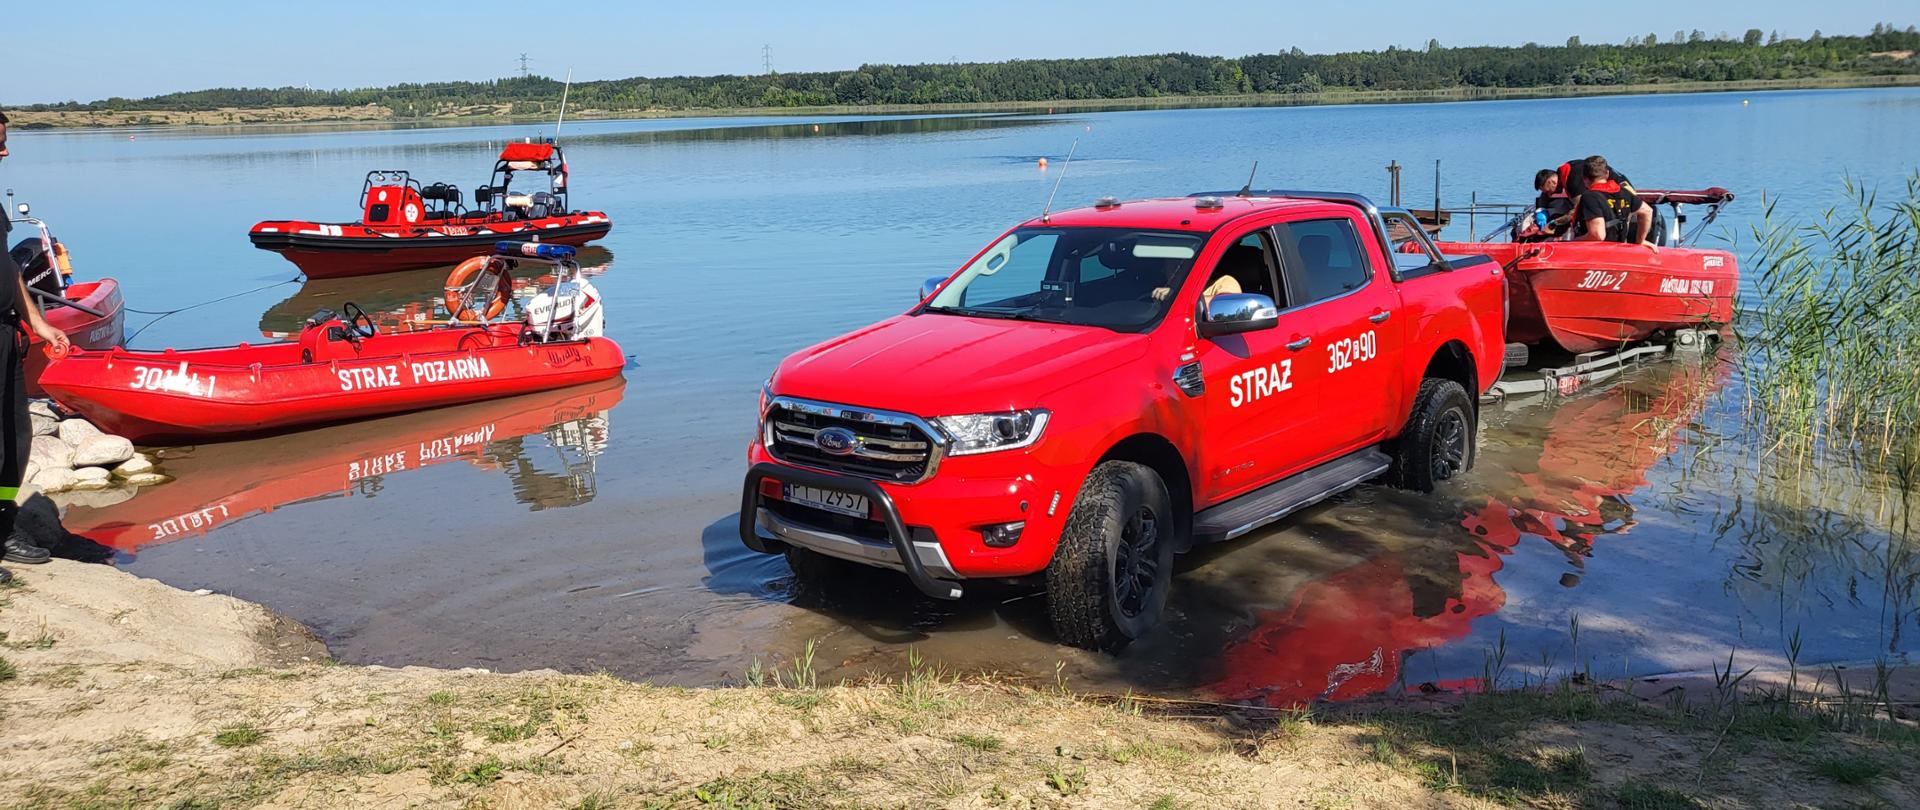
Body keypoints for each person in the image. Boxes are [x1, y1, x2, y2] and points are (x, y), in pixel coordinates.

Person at [0, 109, 71, 579]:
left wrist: (37, 323)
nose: (5, 151)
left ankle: (4, 523)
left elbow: (8, 268)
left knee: (15, 438)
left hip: (7, 333)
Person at [1572, 155, 1655, 247]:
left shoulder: (1590, 197)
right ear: (1607, 174)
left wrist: (1573, 241)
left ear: (1584, 179)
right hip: (1619, 248)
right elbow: (1647, 211)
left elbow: (1597, 235)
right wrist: (1640, 240)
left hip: (1596, 251)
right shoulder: (1624, 192)